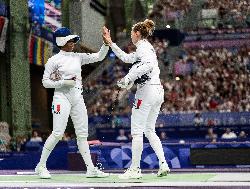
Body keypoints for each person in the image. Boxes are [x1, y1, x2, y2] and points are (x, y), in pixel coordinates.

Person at [35, 27, 109, 179]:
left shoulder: (78, 57)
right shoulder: (53, 60)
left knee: (82, 135)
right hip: (61, 98)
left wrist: (106, 43)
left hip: (77, 98)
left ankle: (91, 169)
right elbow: (45, 82)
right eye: (71, 40)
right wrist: (64, 82)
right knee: (57, 133)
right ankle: (40, 166)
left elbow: (99, 56)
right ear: (62, 42)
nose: (74, 42)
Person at [103, 19, 170, 179]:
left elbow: (147, 65)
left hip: (147, 92)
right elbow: (126, 58)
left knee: (137, 132)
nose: (131, 35)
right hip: (157, 91)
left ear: (137, 33)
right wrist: (111, 43)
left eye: (132, 33)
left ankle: (135, 169)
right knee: (149, 130)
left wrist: (128, 78)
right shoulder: (145, 48)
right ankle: (163, 164)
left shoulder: (144, 48)